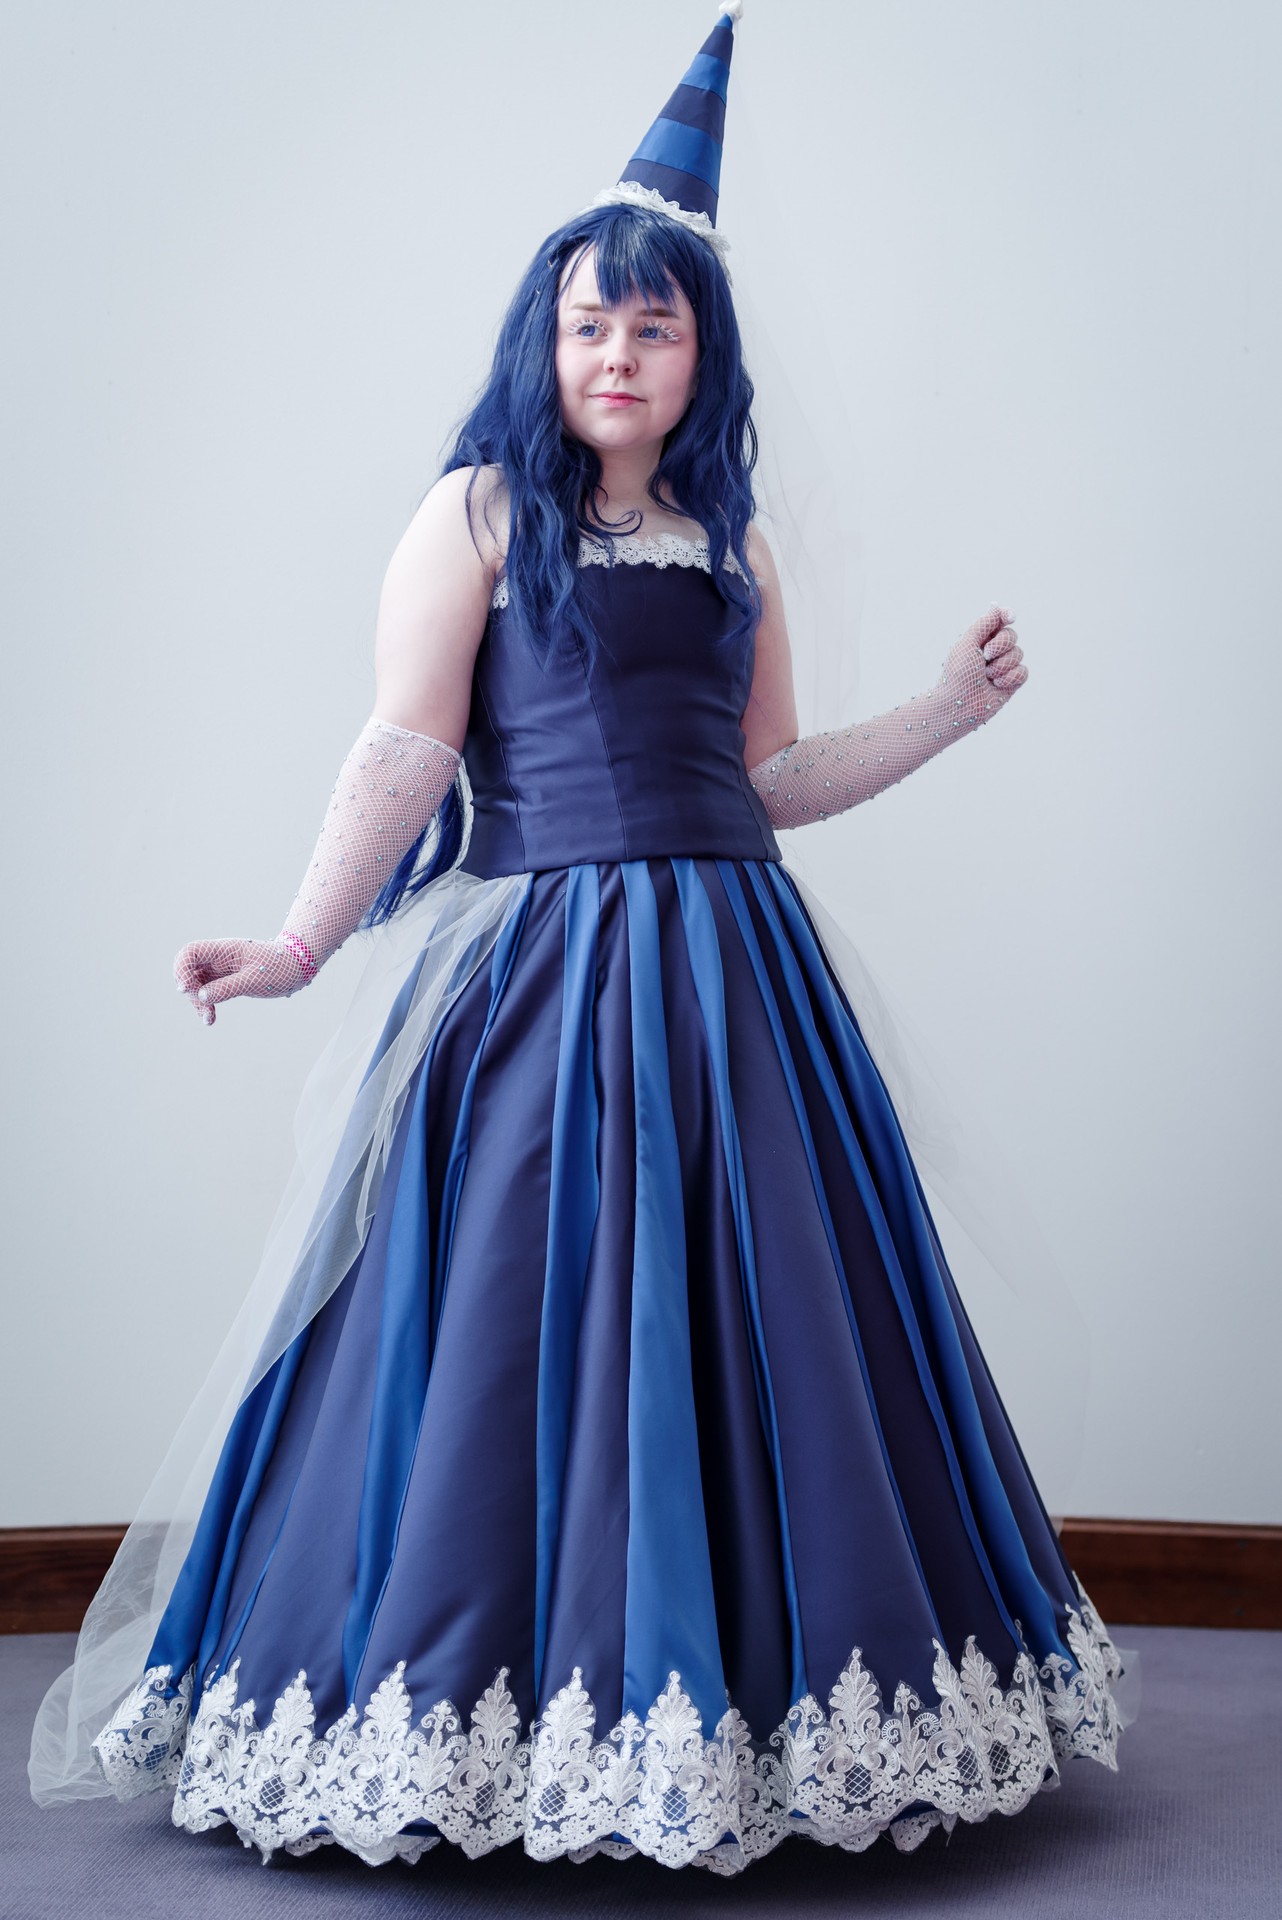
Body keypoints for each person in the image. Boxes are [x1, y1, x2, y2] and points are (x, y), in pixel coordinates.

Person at [29, 4, 1125, 1876]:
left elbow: (769, 776)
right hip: (544, 984)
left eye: (655, 324)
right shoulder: (474, 515)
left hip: (739, 985)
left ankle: (754, 1709)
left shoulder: (732, 542)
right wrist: (300, 943)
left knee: (769, 1324)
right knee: (510, 1330)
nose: (619, 352)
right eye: (589, 324)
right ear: (545, 347)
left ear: (705, 354)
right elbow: (405, 749)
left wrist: (945, 709)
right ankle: (486, 1709)